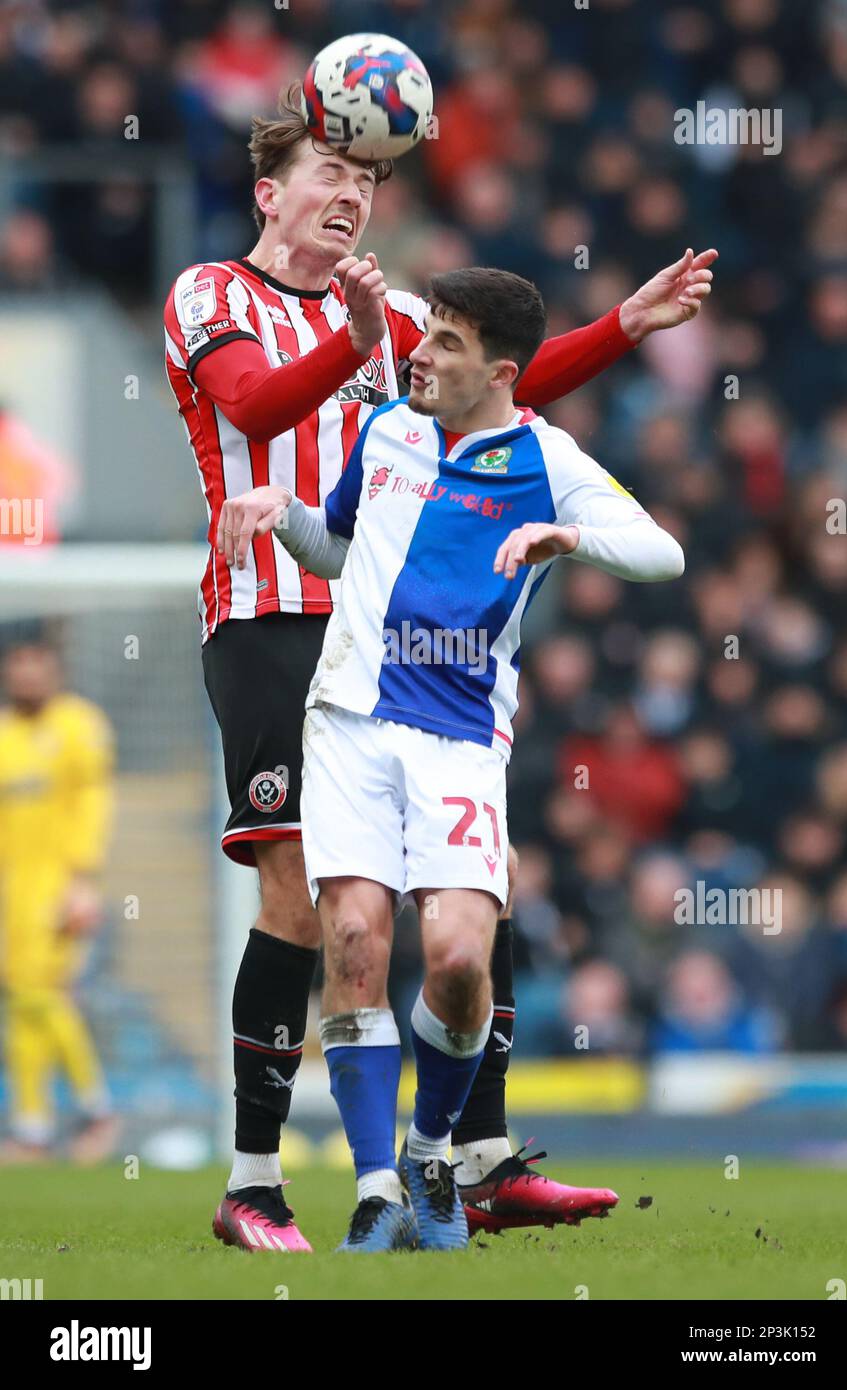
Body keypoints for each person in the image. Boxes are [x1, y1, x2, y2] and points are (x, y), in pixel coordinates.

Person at [164, 83, 715, 1253]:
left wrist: (621, 324)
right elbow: (255, 405)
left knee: (471, 880)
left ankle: (478, 1158)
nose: (350, 195)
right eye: (329, 173)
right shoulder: (211, 294)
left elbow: (499, 385)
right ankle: (254, 1179)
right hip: (271, 614)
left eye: (366, 181)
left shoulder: (406, 314)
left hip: (400, 631)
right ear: (271, 194)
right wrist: (357, 344)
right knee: (303, 896)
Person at [0, 639, 116, 1163]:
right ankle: (34, 1127)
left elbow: (93, 805)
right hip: (11, 893)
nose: (25, 678)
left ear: (55, 669)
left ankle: (95, 1110)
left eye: (35, 666)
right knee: (21, 1003)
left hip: (57, 886)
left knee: (43, 995)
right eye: (16, 668)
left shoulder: (79, 726)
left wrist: (83, 882)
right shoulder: (4, 734)